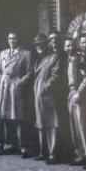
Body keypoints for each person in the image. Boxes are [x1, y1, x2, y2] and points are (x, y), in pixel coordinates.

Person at [0, 32, 34, 156]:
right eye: (10, 38)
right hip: (4, 86)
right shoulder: (3, 53)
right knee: (6, 116)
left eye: (14, 38)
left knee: (18, 116)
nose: (12, 40)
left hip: (16, 86)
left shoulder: (26, 54)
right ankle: (8, 145)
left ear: (18, 39)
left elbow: (30, 71)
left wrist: (20, 82)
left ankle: (23, 147)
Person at [33, 32, 66, 164]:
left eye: (41, 44)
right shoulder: (40, 59)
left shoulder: (54, 57)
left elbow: (56, 76)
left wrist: (45, 88)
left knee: (52, 124)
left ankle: (52, 154)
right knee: (41, 124)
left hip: (48, 96)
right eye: (36, 45)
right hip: (39, 96)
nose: (38, 46)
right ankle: (43, 152)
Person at [68, 33, 86, 167]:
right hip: (72, 92)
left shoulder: (82, 59)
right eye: (82, 42)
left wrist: (79, 92)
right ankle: (80, 155)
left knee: (83, 127)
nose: (85, 45)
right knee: (75, 128)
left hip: (80, 94)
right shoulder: (74, 57)